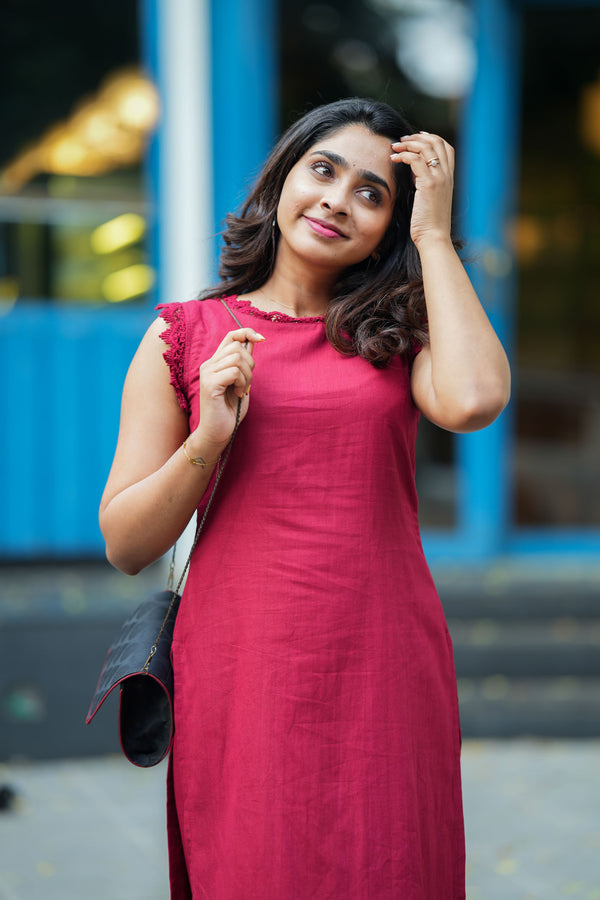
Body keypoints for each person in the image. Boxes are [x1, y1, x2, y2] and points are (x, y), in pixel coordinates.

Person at [99, 98, 510, 899]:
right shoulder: (185, 335)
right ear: (283, 177)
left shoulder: (397, 333)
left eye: (371, 193)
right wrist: (207, 439)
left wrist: (432, 236)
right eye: (323, 170)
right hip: (244, 661)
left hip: (382, 660)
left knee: (391, 865)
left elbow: (474, 401)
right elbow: (125, 544)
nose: (336, 200)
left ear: (389, 226)